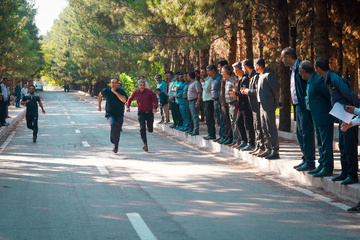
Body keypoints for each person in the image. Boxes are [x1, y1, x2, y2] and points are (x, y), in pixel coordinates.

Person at [315, 57, 359, 185]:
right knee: (343, 145)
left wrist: (357, 111)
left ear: (318, 69)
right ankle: (345, 172)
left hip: (349, 115)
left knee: (349, 145)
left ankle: (352, 175)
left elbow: (350, 94)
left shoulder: (335, 78)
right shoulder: (328, 78)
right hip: (341, 115)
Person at [281, 48, 315, 171]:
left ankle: (310, 161)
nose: (282, 60)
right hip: (297, 105)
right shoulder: (292, 70)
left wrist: (306, 103)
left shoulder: (302, 67)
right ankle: (305, 159)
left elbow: (308, 85)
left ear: (289, 56)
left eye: (283, 57)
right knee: (300, 134)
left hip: (304, 106)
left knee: (306, 133)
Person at [299, 60, 334, 177]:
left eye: (300, 72)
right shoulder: (310, 81)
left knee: (325, 143)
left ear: (304, 71)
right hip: (316, 117)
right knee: (319, 143)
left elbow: (330, 96)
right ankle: (322, 164)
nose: (299, 74)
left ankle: (327, 167)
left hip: (323, 117)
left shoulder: (318, 80)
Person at [254, 58, 280, 159]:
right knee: (264, 128)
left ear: (259, 66)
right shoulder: (260, 76)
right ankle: (267, 149)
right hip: (261, 105)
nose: (255, 68)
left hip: (268, 106)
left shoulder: (268, 75)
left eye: (255, 65)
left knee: (271, 128)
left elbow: (276, 90)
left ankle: (275, 150)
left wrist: (276, 103)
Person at [240, 59, 265, 156]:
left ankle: (261, 147)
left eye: (243, 67)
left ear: (246, 67)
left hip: (258, 106)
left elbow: (257, 91)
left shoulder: (256, 76)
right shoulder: (251, 76)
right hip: (253, 106)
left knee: (259, 127)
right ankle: (258, 146)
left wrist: (247, 91)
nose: (242, 69)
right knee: (256, 127)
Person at [127, 80, 158, 152]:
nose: (142, 86)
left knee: (150, 129)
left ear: (145, 85)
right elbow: (130, 99)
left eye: (143, 85)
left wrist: (155, 107)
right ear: (138, 85)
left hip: (149, 112)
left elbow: (155, 99)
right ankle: (145, 144)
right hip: (141, 112)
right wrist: (128, 107)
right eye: (140, 85)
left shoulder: (149, 91)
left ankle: (149, 128)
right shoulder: (135, 92)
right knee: (142, 128)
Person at [98, 78, 128, 153]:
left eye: (115, 83)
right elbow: (100, 95)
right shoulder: (106, 91)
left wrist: (115, 93)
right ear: (110, 84)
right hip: (109, 113)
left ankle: (116, 145)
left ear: (118, 84)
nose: (114, 84)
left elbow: (124, 100)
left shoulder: (121, 91)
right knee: (113, 124)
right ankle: (113, 140)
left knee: (118, 130)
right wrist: (99, 106)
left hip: (119, 114)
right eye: (112, 83)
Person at [231, 61, 255, 151]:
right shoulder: (240, 79)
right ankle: (244, 141)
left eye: (234, 69)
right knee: (239, 123)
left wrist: (236, 93)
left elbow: (244, 92)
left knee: (248, 125)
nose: (233, 71)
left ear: (238, 69)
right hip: (240, 106)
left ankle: (251, 143)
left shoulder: (245, 79)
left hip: (245, 106)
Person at [207, 64, 225, 143]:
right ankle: (221, 136)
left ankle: (224, 136)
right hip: (214, 100)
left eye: (208, 71)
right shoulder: (213, 78)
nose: (207, 72)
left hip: (219, 101)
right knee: (218, 119)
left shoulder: (219, 78)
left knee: (221, 119)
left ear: (213, 70)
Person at [222, 65, 238, 146]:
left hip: (234, 102)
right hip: (228, 103)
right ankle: (234, 139)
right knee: (232, 122)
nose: (221, 74)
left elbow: (237, 90)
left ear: (225, 72)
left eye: (222, 72)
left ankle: (237, 139)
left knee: (235, 122)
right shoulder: (226, 80)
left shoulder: (234, 79)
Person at [218, 60, 233, 145]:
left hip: (227, 102)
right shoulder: (223, 78)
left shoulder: (227, 79)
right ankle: (225, 136)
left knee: (229, 121)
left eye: (220, 67)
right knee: (224, 121)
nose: (219, 69)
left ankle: (229, 137)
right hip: (222, 103)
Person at [201, 66, 216, 140]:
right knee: (207, 118)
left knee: (210, 118)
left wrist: (202, 83)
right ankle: (209, 133)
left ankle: (212, 134)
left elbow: (207, 89)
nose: (203, 73)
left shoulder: (209, 79)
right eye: (202, 72)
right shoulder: (205, 80)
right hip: (205, 100)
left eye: (204, 72)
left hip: (209, 100)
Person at [187, 71, 202, 136]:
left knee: (195, 116)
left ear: (190, 76)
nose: (187, 77)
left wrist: (198, 101)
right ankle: (193, 129)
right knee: (192, 116)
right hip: (190, 101)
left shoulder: (196, 83)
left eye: (187, 76)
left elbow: (199, 92)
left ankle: (196, 130)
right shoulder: (190, 83)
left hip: (194, 101)